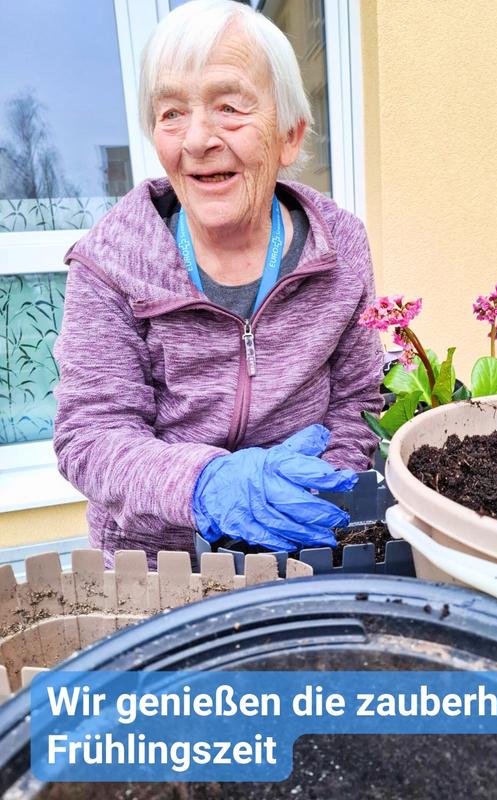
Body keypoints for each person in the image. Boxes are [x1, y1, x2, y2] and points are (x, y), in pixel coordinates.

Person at [53, 0, 383, 569]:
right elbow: (91, 434)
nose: (197, 139)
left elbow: (359, 399)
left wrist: (317, 491)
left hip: (302, 552)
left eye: (229, 107)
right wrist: (203, 485)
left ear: (288, 136)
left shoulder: (340, 246)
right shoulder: (111, 264)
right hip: (155, 572)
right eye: (172, 112)